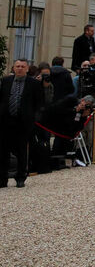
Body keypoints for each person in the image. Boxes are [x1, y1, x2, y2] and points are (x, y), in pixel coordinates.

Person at [1, 59, 45, 187]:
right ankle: (2, 178)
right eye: (17, 66)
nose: (19, 68)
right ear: (13, 68)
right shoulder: (6, 81)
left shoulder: (34, 84)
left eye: (22, 66)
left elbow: (39, 103)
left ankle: (20, 177)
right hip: (6, 120)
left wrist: (35, 119)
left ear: (27, 69)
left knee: (21, 151)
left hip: (24, 122)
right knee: (3, 151)